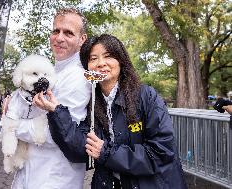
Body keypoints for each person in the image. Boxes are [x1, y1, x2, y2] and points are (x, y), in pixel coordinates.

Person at [35, 34, 187, 188]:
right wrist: (56, 112)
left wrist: (106, 152)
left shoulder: (146, 96)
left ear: (120, 60)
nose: (101, 63)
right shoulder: (91, 103)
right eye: (93, 59)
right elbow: (79, 150)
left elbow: (161, 153)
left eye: (108, 56)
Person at [10, 8, 91, 188]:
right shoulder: (51, 71)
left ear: (82, 39)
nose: (59, 38)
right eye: (56, 31)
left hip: (54, 177)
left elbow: (57, 134)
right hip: (31, 171)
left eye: (68, 33)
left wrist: (12, 124)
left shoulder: (78, 78)